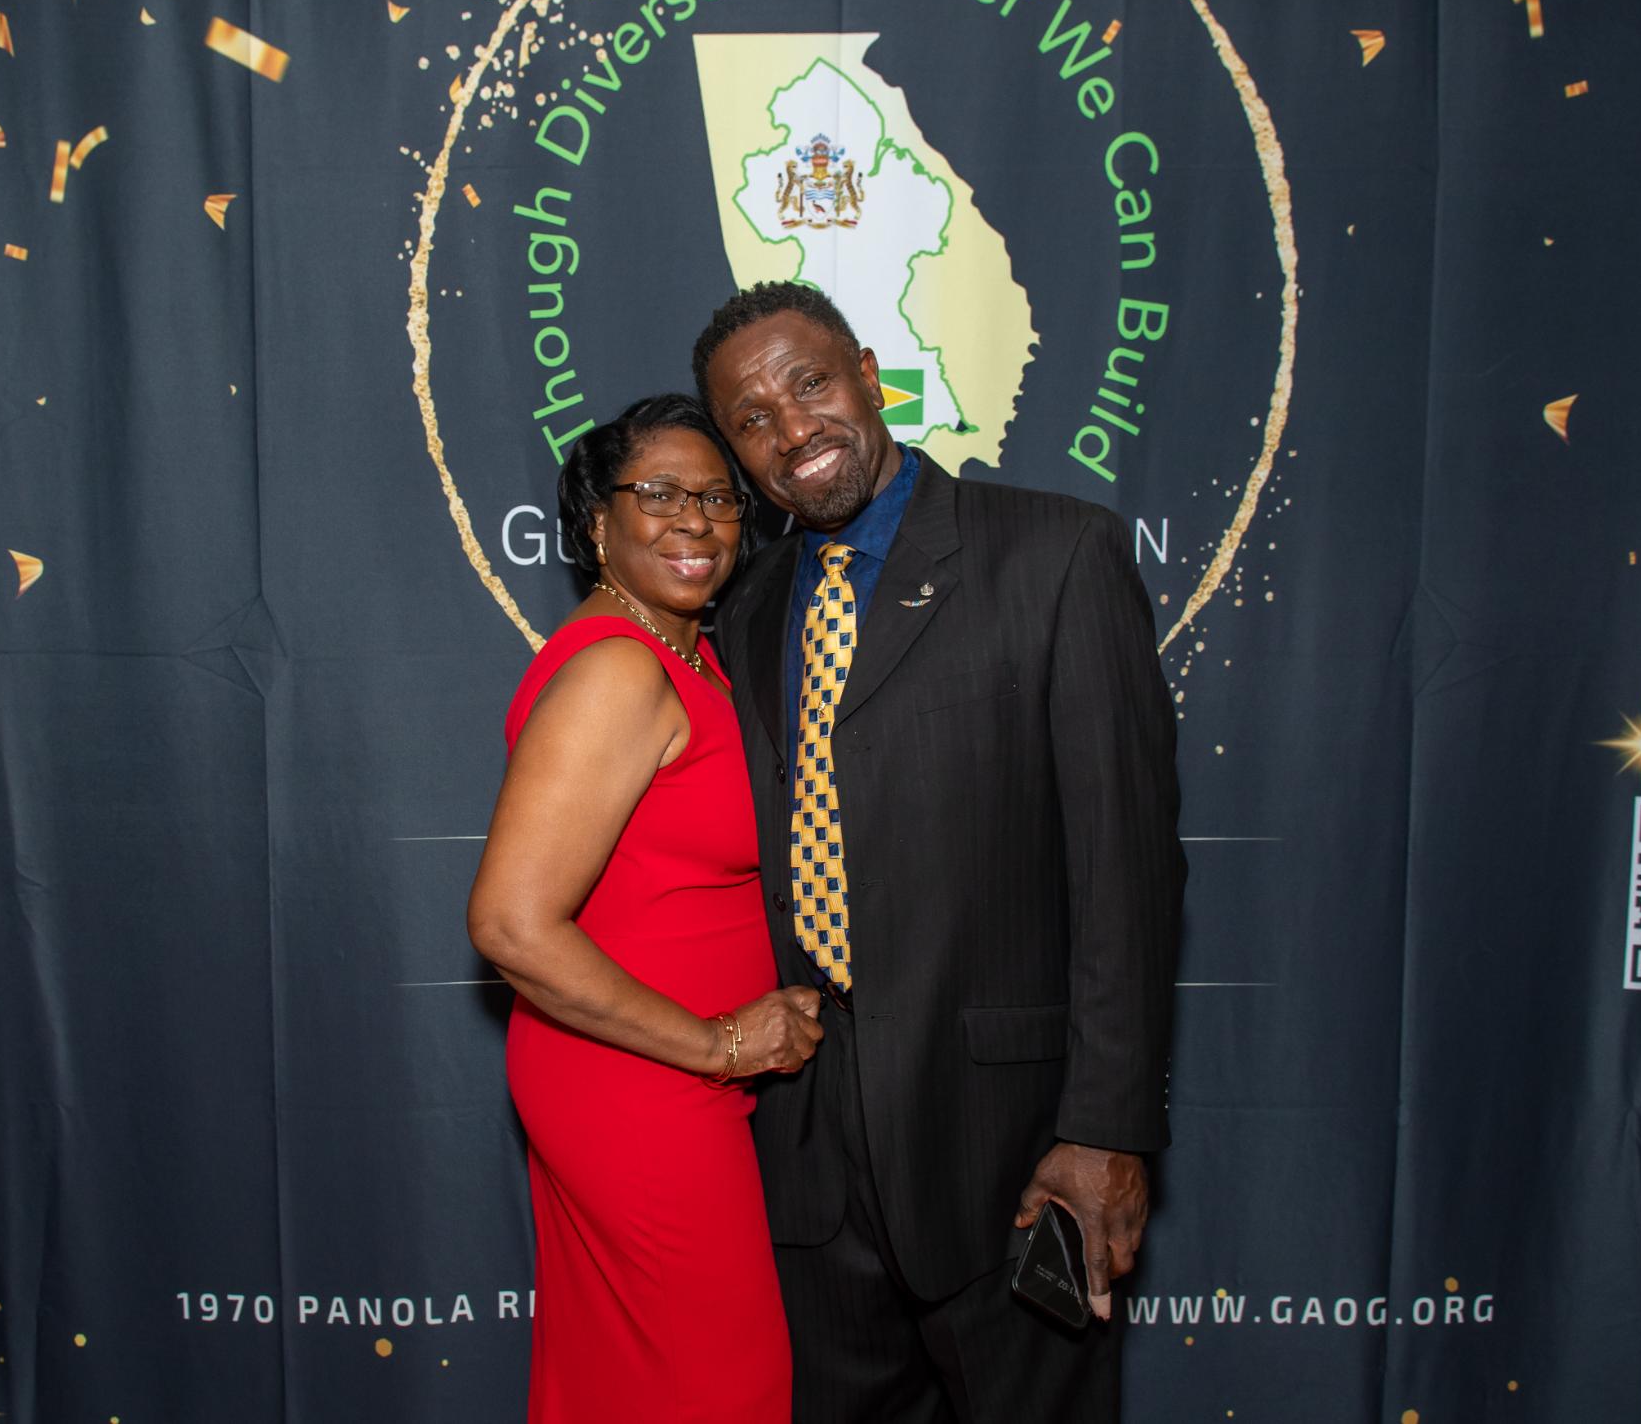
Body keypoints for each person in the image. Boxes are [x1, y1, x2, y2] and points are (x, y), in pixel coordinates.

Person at [694, 284, 1185, 1422]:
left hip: (1011, 1158)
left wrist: (1105, 1128)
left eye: (810, 384)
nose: (792, 430)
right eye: (752, 419)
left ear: (871, 374)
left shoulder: (1055, 553)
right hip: (807, 1168)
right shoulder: (749, 606)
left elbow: (1129, 873)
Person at [467, 393, 825, 1424]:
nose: (695, 521)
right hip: (641, 1083)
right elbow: (510, 925)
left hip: (645, 1076)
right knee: (722, 1386)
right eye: (659, 494)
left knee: (631, 1384)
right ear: (597, 521)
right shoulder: (620, 669)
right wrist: (718, 1044)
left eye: (718, 498)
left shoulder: (679, 648)